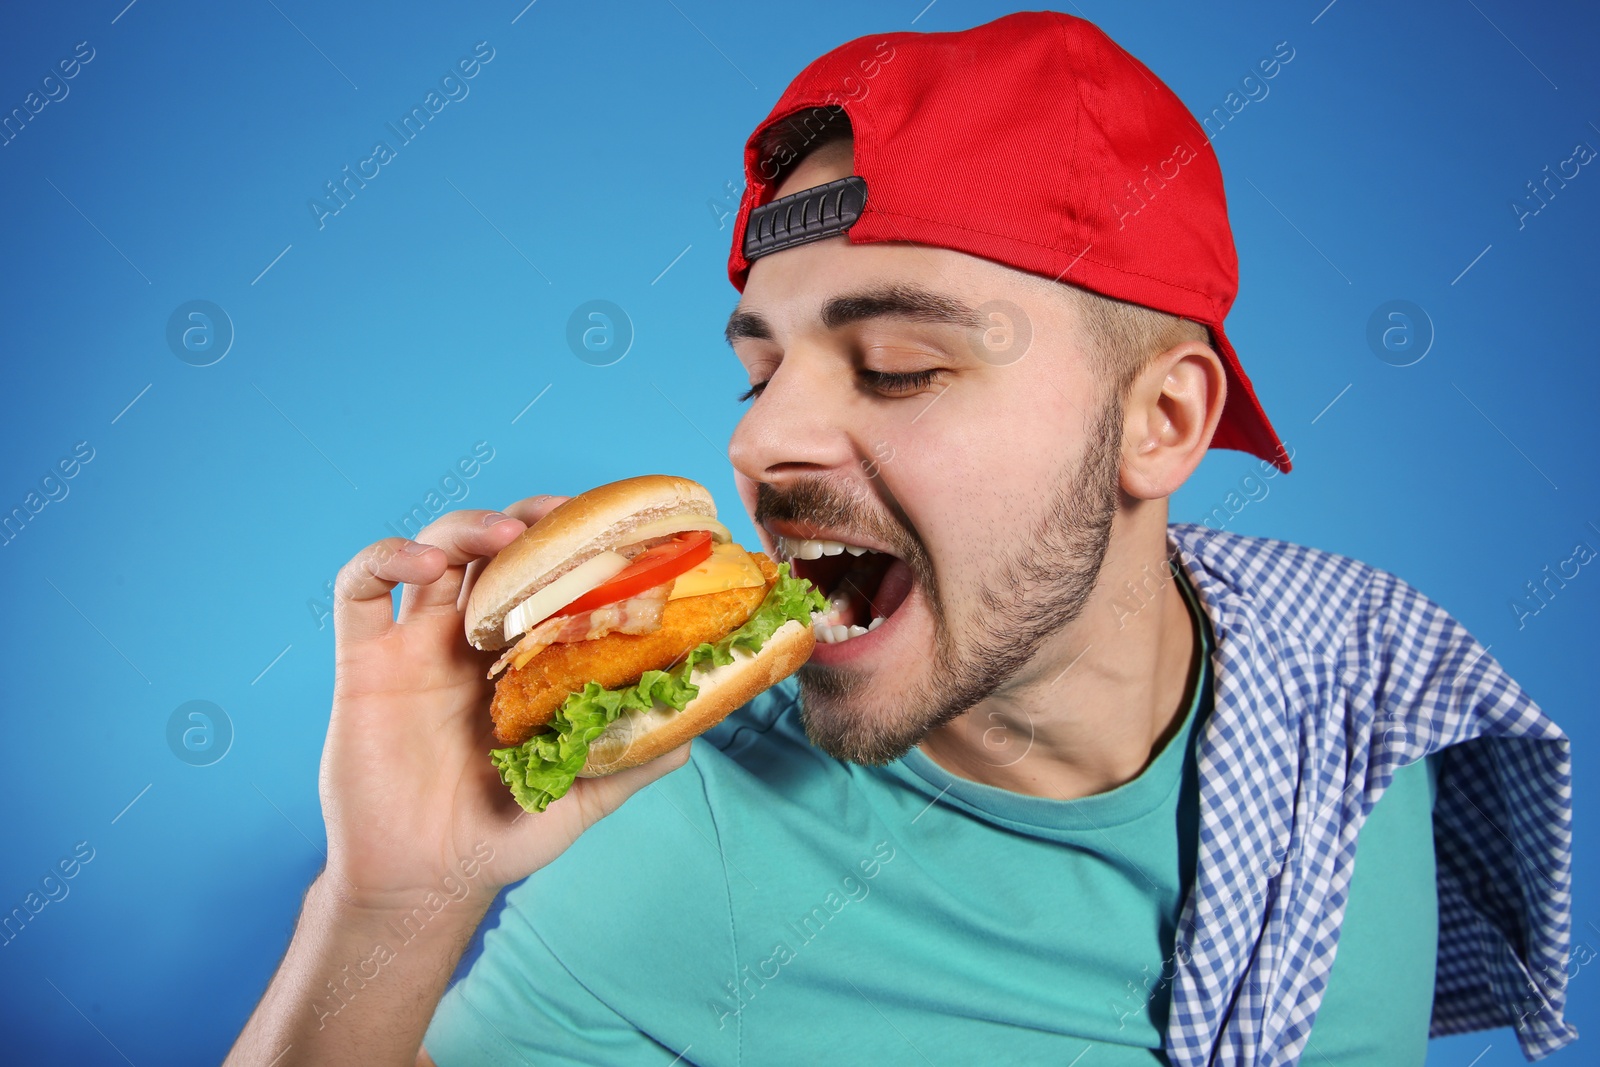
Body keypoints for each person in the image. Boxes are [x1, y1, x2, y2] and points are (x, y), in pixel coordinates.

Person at [226, 11, 1576, 1066]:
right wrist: (390, 905)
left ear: (1160, 421)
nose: (758, 446)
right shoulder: (691, 827)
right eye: (760, 374)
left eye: (897, 368)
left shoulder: (1362, 718)